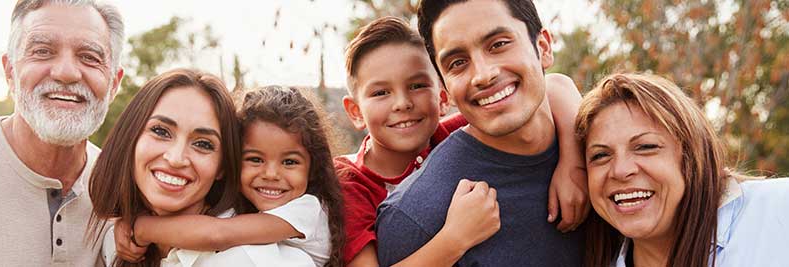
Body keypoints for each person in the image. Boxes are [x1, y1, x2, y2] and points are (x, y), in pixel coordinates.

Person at [337, 16, 586, 266]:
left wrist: (573, 162)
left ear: (444, 98)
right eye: (381, 93)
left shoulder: (451, 135)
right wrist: (455, 239)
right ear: (356, 111)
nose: (402, 103)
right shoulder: (349, 184)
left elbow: (555, 83)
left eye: (417, 85)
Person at [0, 0, 124, 265]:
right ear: (10, 71)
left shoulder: (123, 192)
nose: (66, 73)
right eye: (42, 51)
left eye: (89, 57)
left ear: (114, 84)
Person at [95, 82, 345, 266]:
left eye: (203, 144)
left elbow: (217, 234)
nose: (270, 173)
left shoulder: (305, 211)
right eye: (255, 159)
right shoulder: (106, 241)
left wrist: (140, 227)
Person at [576, 73, 789, 267]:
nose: (621, 170)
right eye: (600, 155)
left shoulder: (778, 211)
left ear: (691, 156)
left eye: (645, 147)